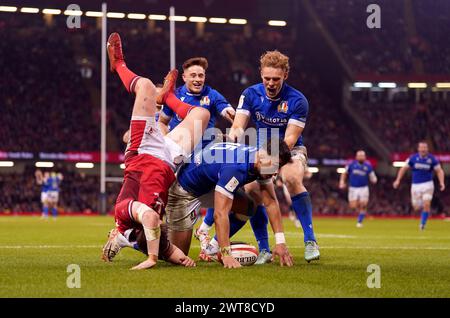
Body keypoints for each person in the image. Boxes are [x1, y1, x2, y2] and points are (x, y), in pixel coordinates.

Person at [101, 32, 210, 269]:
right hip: (168, 160)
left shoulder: (125, 211)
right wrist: (184, 260)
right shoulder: (151, 224)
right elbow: (175, 253)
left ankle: (119, 64)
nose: (159, 226)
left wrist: (151, 259)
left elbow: (149, 219)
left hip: (143, 151)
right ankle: (168, 98)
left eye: (154, 231)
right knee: (202, 114)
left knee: (146, 86)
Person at [227, 50, 320, 263]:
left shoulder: (298, 100)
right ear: (261, 74)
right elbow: (239, 125)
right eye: (266, 78)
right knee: (252, 192)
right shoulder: (250, 94)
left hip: (290, 150)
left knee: (291, 178)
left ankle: (310, 240)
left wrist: (273, 161)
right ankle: (265, 249)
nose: (270, 83)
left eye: (276, 79)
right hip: (260, 148)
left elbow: (289, 139)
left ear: (285, 75)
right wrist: (232, 140)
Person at [166, 139, 294, 268]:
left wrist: (280, 242)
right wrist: (226, 254)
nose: (276, 171)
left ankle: (211, 249)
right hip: (185, 189)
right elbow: (220, 214)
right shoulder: (236, 167)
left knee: (249, 207)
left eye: (279, 166)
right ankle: (153, 233)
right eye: (275, 164)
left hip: (210, 183)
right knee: (177, 256)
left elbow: (271, 201)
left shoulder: (261, 162)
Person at [393, 141, 446, 230]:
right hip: (415, 186)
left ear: (427, 149)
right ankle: (422, 207)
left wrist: (442, 182)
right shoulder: (413, 158)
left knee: (427, 204)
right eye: (421, 148)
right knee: (416, 207)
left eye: (425, 148)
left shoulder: (432, 159)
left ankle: (422, 224)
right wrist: (398, 180)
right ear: (418, 149)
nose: (423, 149)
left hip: (428, 185)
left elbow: (439, 170)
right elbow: (403, 168)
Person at [339, 150, 377, 227]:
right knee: (353, 206)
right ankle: (360, 209)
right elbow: (344, 173)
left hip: (364, 188)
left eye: (362, 156)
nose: (361, 157)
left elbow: (372, 176)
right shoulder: (351, 165)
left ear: (365, 157)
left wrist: (374, 179)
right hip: (353, 188)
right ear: (356, 157)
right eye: (359, 156)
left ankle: (359, 221)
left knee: (363, 205)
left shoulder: (368, 166)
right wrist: (342, 182)